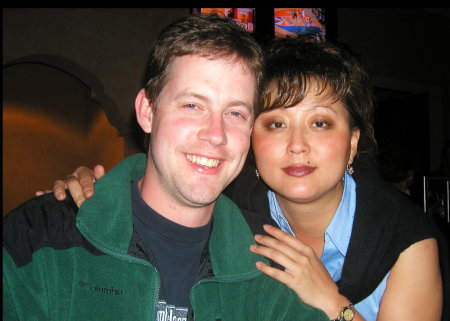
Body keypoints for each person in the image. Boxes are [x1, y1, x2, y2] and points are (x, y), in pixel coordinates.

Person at [48, 33, 450, 321]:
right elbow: (162, 183)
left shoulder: (404, 238)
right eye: (275, 124)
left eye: (321, 123)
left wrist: (331, 302)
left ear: (352, 143)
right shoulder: (228, 207)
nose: (297, 145)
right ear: (251, 140)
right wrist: (96, 188)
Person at [3, 15, 330, 321]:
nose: (215, 135)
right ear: (147, 111)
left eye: (235, 113)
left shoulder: (269, 266)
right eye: (192, 105)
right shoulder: (40, 238)